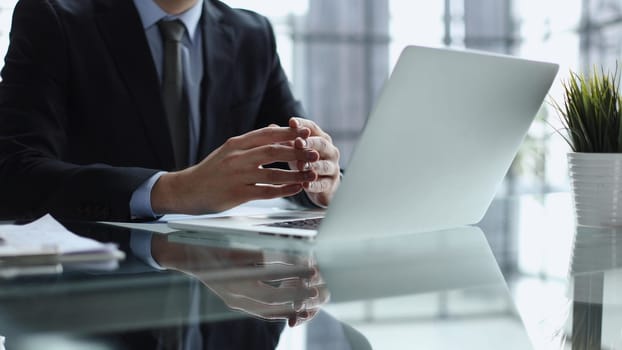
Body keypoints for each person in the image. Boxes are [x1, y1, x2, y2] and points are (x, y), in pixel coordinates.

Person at [0, 0, 341, 221]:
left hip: (223, 307)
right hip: (91, 297)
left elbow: (293, 157)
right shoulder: (53, 18)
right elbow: (13, 174)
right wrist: (173, 191)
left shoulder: (252, 35)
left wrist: (323, 183)